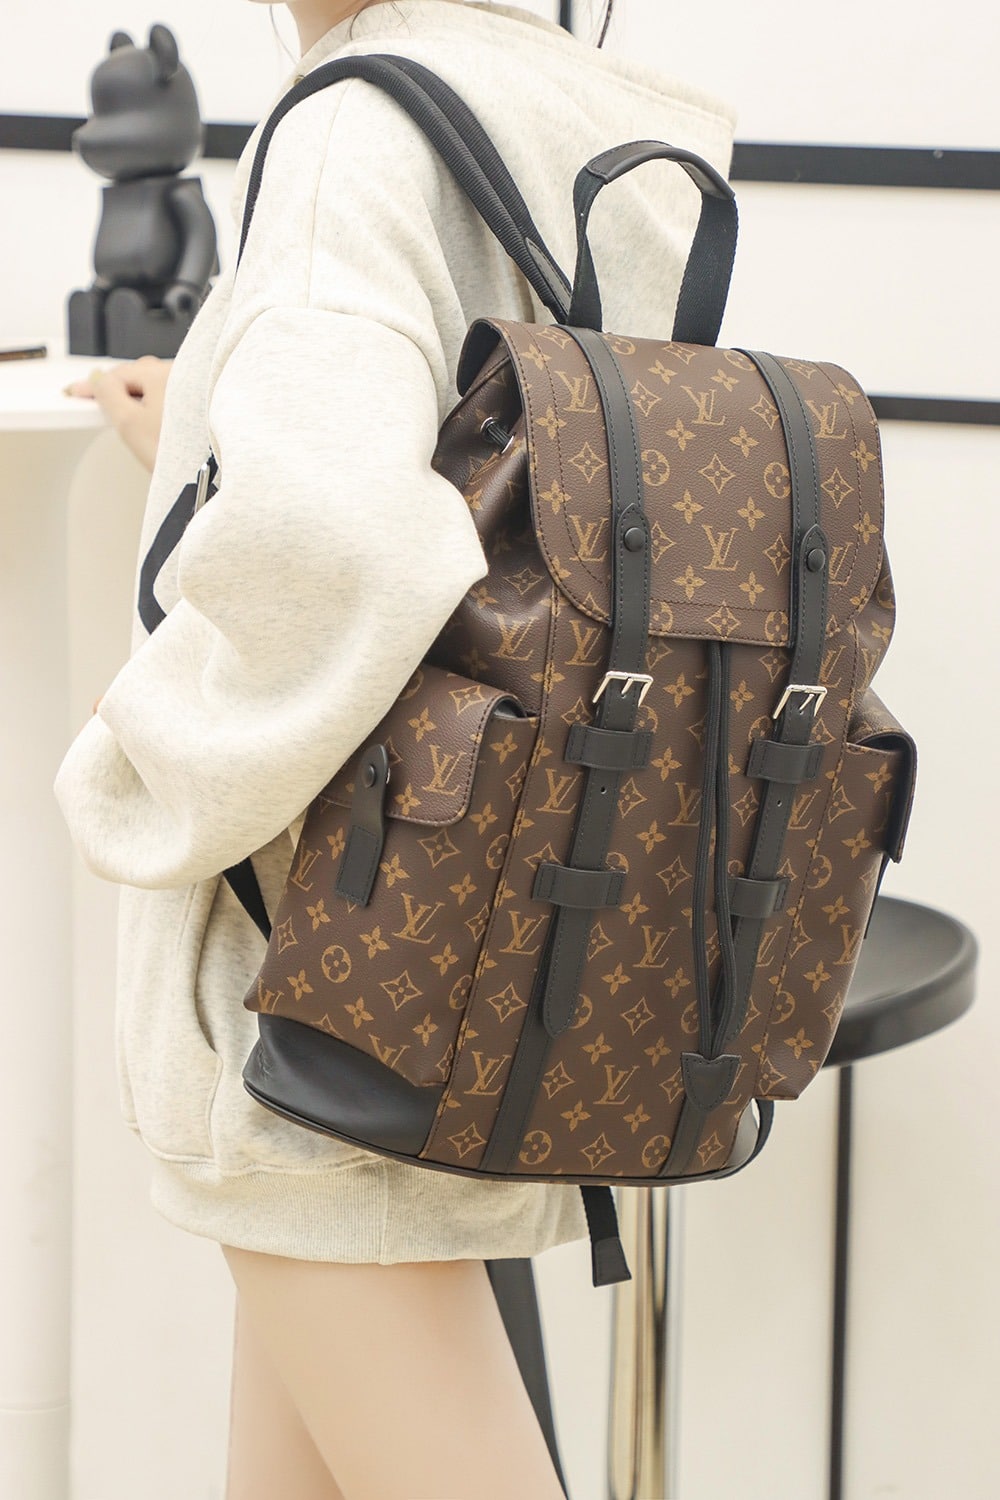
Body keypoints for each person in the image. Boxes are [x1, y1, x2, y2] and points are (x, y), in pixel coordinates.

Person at [58, 3, 736, 1495]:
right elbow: (505, 486)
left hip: (323, 969)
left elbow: (347, 546)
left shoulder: (352, 128)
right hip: (481, 947)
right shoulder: (558, 110)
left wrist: (138, 772)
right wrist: (208, 447)